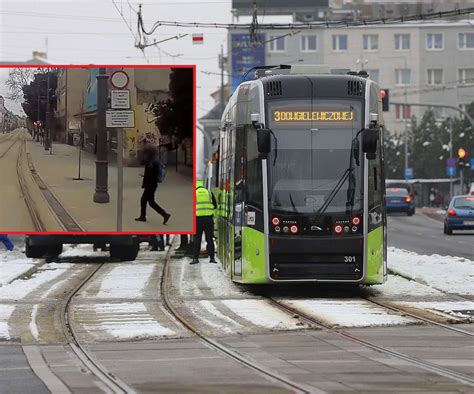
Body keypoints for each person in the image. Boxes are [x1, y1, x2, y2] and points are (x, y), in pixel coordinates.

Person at [135, 145, 171, 225]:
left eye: (145, 153)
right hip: (151, 184)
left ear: (149, 153)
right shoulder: (152, 161)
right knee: (146, 201)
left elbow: (152, 174)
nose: (144, 155)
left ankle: (164, 214)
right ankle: (143, 216)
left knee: (148, 201)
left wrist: (146, 176)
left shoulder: (152, 162)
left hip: (150, 185)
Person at [191, 180, 217, 265]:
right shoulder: (209, 193)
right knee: (209, 239)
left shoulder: (194, 193)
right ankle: (212, 258)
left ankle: (195, 258)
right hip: (208, 219)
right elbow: (215, 205)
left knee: (197, 239)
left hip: (197, 219)